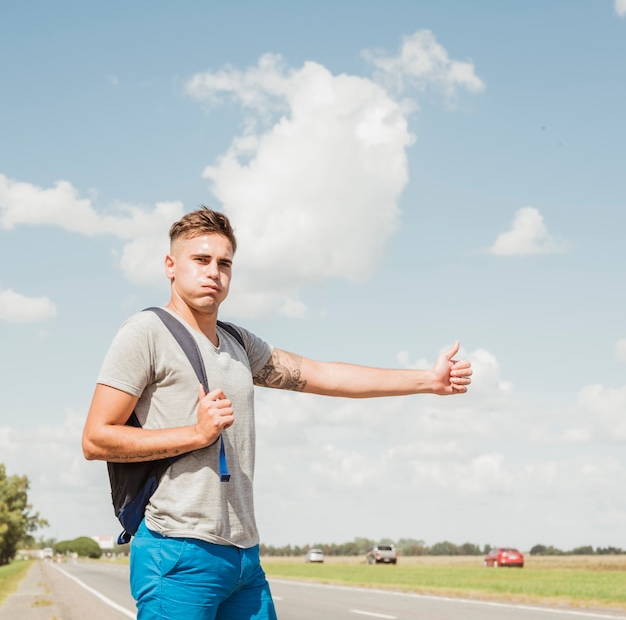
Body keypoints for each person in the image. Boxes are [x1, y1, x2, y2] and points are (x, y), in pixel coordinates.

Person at [82, 206, 472, 620]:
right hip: (177, 549)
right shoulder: (146, 332)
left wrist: (427, 381)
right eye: (201, 260)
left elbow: (322, 375)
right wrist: (195, 434)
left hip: (244, 555)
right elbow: (95, 439)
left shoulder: (237, 342)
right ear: (170, 266)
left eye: (224, 263)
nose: (214, 272)